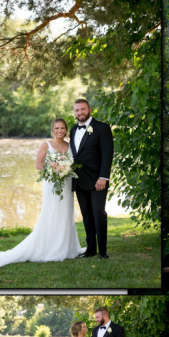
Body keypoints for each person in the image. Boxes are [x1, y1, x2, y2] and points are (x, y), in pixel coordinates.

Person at [0, 118, 85, 270]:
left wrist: (65, 168)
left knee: (66, 213)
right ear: (52, 130)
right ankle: (51, 248)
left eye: (62, 128)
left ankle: (67, 248)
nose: (59, 131)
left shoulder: (69, 146)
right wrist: (52, 168)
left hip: (67, 184)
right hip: (52, 185)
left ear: (66, 130)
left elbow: (72, 164)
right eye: (57, 128)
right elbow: (38, 164)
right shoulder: (46, 145)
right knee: (52, 213)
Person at [70, 98, 114, 259]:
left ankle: (102, 251)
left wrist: (103, 177)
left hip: (98, 180)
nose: (80, 112)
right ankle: (90, 249)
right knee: (86, 215)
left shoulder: (102, 128)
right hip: (79, 180)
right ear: (74, 113)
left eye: (82, 109)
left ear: (89, 110)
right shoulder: (73, 130)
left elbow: (107, 154)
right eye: (77, 110)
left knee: (98, 213)